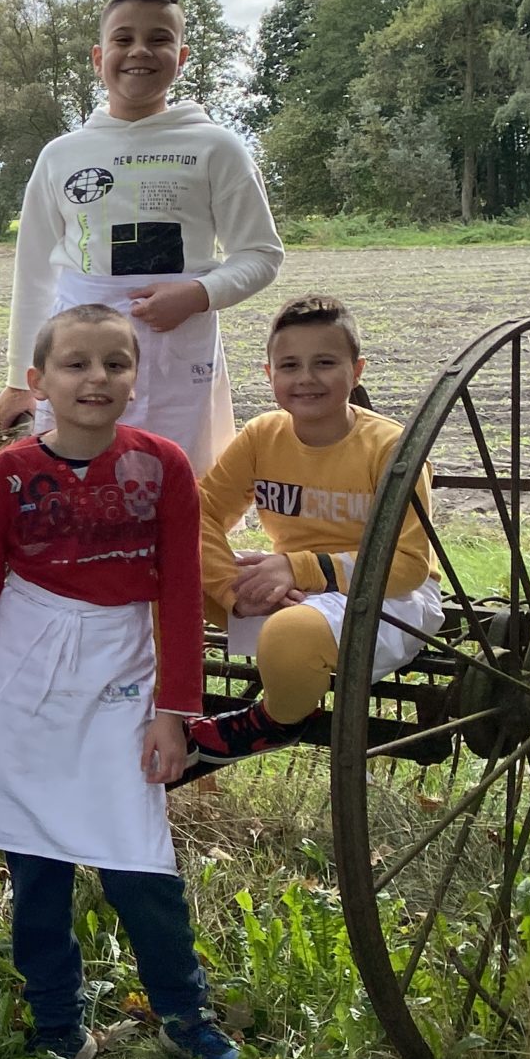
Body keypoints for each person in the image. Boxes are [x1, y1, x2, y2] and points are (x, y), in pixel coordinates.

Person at [0, 305, 240, 1059]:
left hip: (119, 664)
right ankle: (57, 1023)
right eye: (76, 364)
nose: (97, 378)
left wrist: (175, 711)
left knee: (137, 854)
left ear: (136, 379)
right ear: (39, 380)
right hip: (26, 669)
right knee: (35, 860)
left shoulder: (162, 466)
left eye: (116, 362)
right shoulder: (6, 474)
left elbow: (180, 591)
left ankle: (184, 1014)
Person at [0, 0, 282, 475]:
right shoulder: (61, 155)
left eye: (158, 39)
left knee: (178, 481)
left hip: (177, 357)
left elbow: (261, 254)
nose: (140, 51)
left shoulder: (217, 148)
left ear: (181, 57)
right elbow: (34, 273)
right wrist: (20, 378)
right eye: (123, 39)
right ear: (98, 57)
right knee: (74, 484)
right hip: (78, 357)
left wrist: (198, 294)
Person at [188, 296, 441, 766]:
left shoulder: (389, 448)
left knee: (290, 634)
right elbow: (197, 513)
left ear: (356, 370)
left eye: (324, 363)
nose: (306, 378)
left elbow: (408, 566)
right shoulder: (263, 436)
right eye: (290, 365)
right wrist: (231, 591)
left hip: (387, 596)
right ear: (270, 374)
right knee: (158, 575)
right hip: (299, 589)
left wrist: (298, 568)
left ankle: (275, 722)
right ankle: (160, 708)